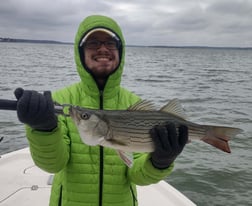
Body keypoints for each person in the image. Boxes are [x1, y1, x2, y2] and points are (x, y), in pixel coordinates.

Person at [14, 15, 188, 206]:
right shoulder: (62, 102)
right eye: (93, 43)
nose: (103, 48)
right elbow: (53, 164)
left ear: (120, 52)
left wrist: (160, 162)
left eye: (110, 43)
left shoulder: (135, 104)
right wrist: (42, 129)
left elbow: (138, 176)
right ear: (80, 53)